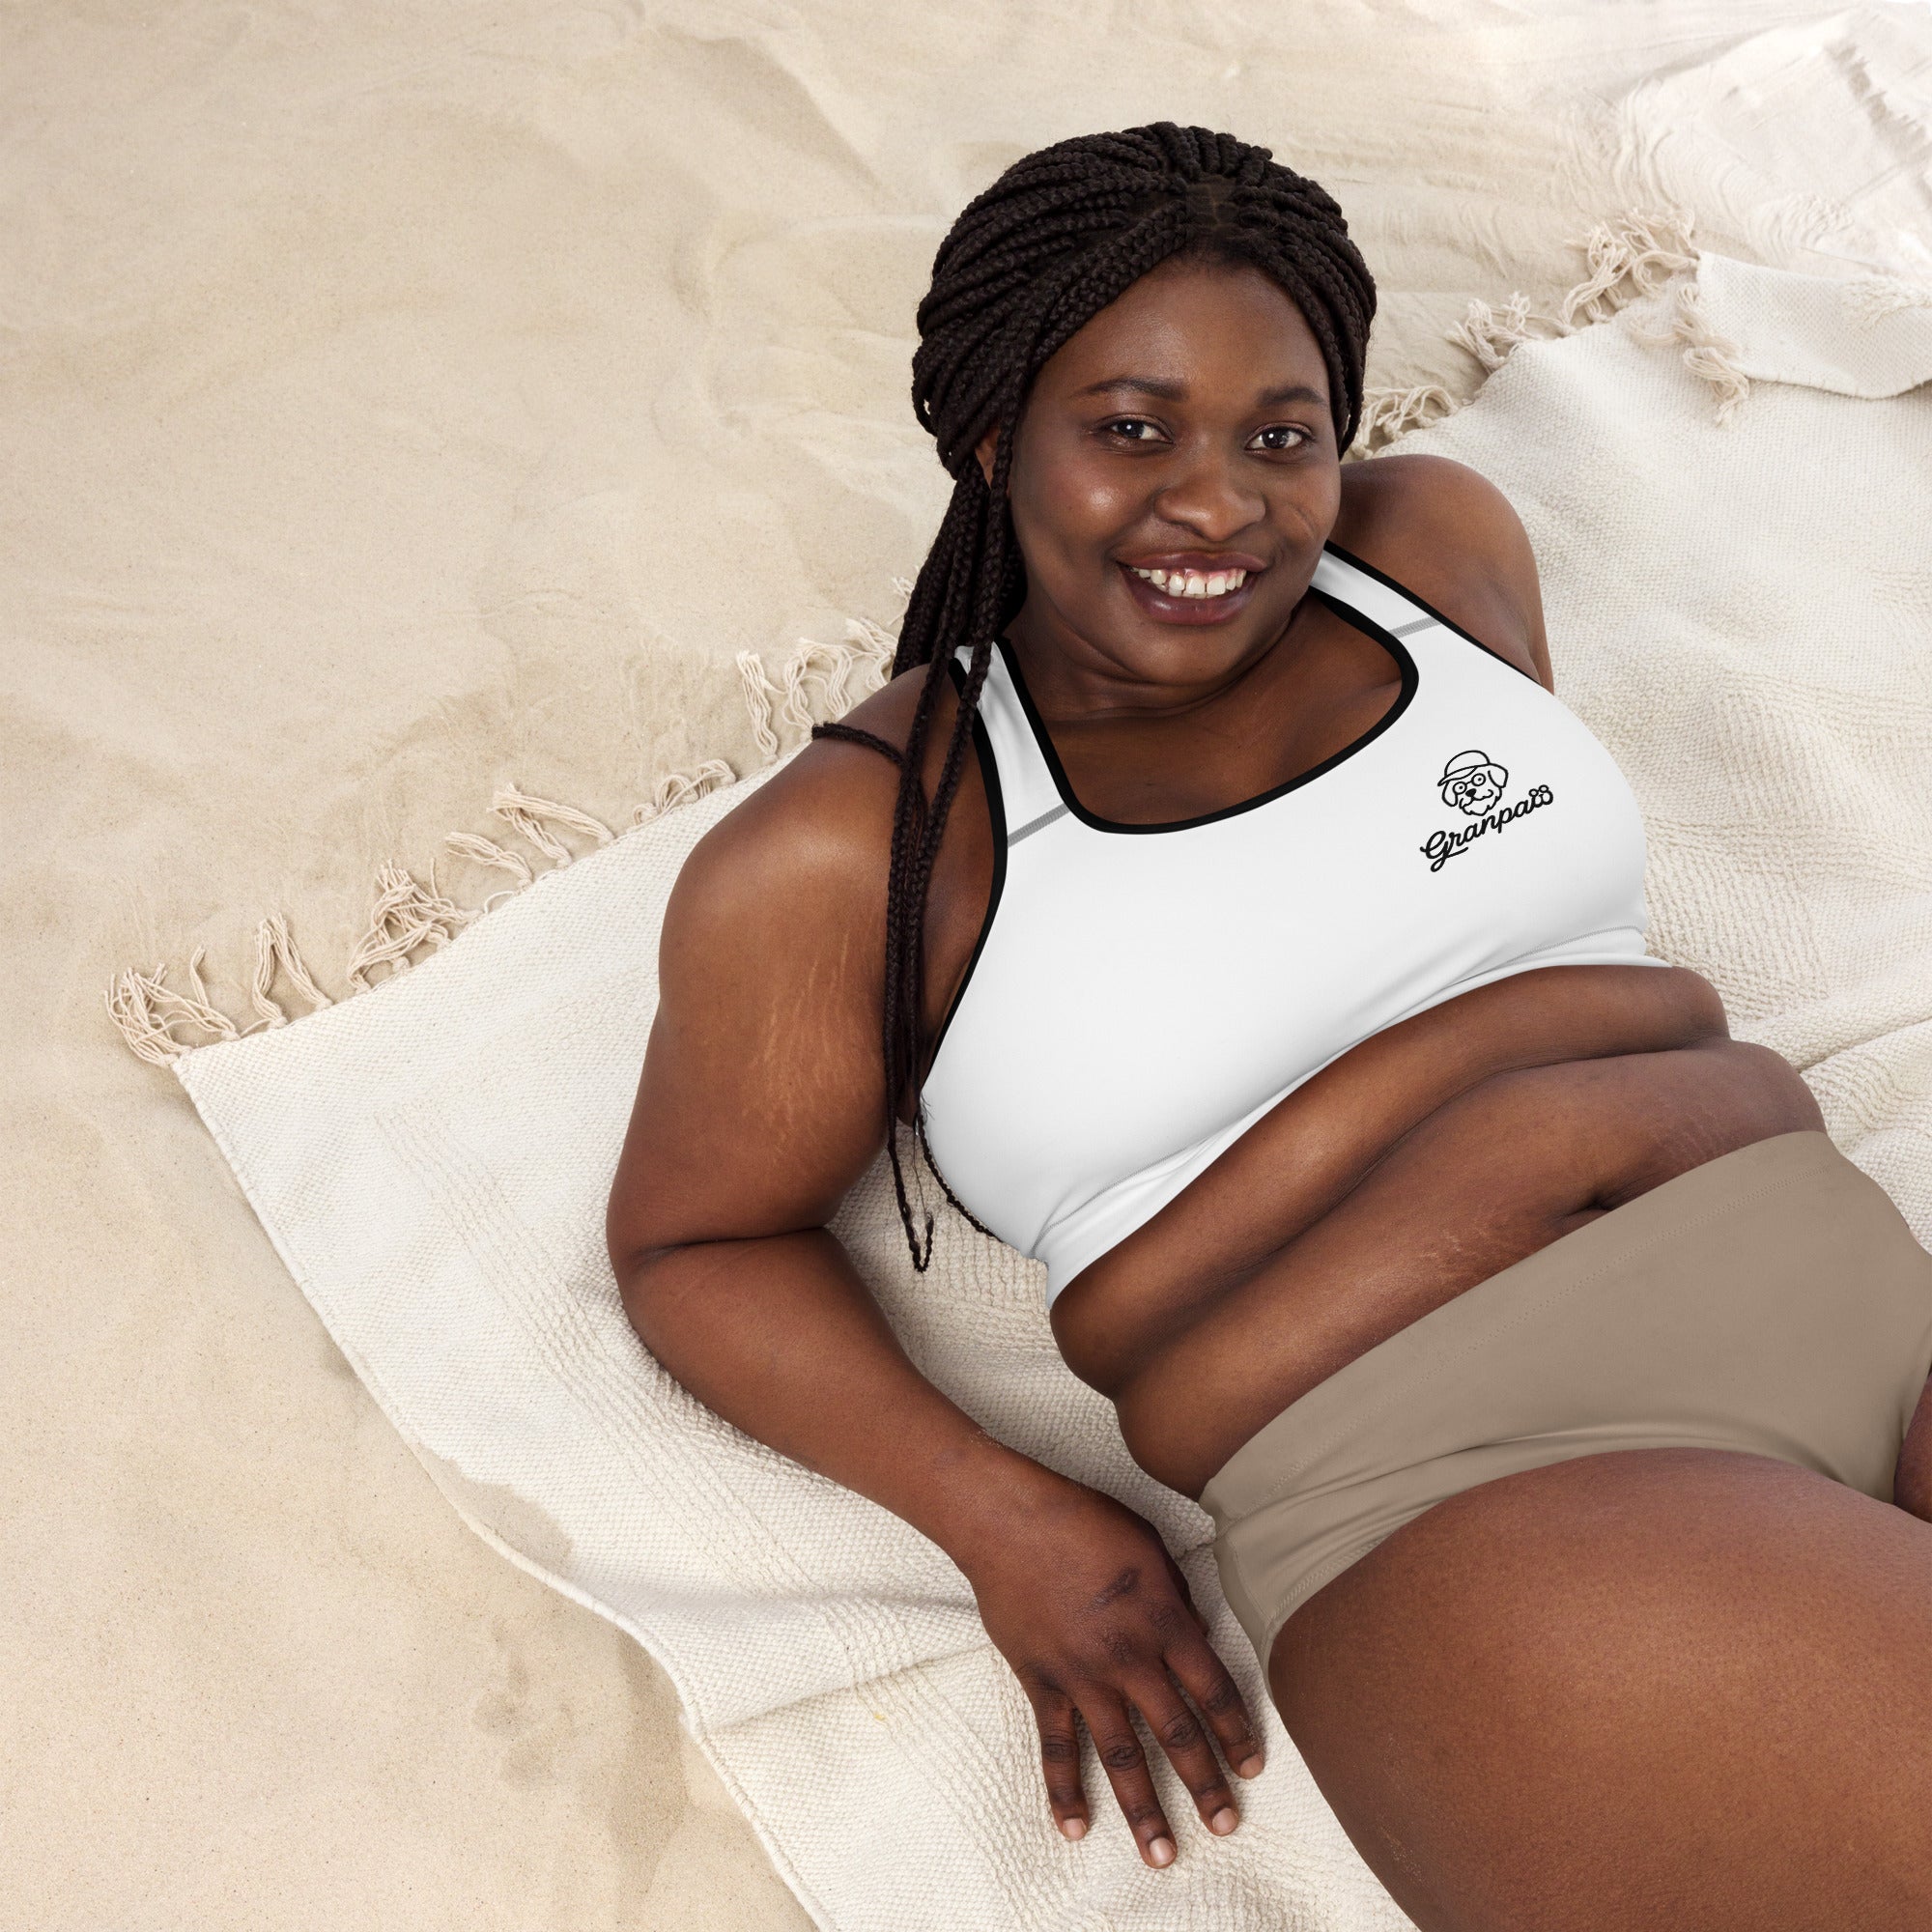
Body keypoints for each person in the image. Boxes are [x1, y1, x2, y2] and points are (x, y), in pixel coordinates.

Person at [606, 122, 1932, 1927]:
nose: (1220, 506)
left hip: (1865, 1300)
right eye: (1132, 431)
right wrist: (1007, 1522)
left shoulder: (1433, 553)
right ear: (995, 437)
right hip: (1480, 1483)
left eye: (1278, 434)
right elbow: (697, 1239)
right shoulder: (860, 850)